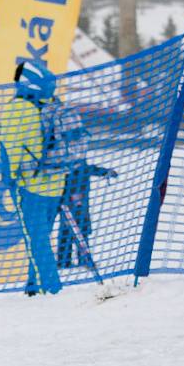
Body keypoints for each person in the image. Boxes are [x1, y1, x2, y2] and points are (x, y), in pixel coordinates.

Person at [0, 62, 65, 296]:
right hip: (57, 183)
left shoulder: (17, 108)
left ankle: (50, 289)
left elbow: (10, 147)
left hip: (30, 185)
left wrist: (9, 176)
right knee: (42, 236)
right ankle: (34, 286)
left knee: (36, 241)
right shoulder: (53, 103)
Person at [47, 100, 118, 267]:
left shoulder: (73, 140)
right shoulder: (61, 139)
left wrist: (103, 171)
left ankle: (77, 259)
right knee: (69, 224)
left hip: (79, 187)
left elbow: (85, 167)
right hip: (69, 188)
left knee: (79, 224)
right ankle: (65, 261)